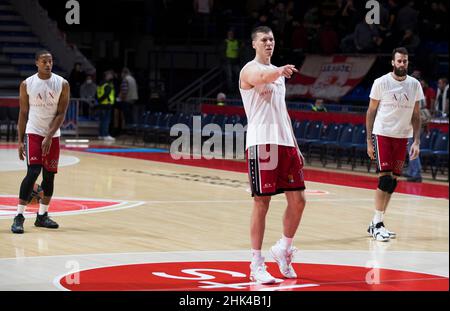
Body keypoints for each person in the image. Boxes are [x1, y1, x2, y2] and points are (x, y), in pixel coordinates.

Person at [239, 26, 306, 284]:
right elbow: (260, 77)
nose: (269, 43)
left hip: (285, 143)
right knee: (262, 203)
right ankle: (256, 263)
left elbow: (283, 112)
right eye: (264, 40)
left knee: (298, 200)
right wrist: (279, 71)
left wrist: (295, 145)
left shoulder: (277, 75)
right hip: (261, 143)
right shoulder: (250, 69)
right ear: (254, 44)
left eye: (272, 39)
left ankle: (283, 249)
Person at [366, 47, 424, 242]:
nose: (402, 64)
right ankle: (377, 223)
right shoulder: (381, 83)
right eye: (399, 61)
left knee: (393, 182)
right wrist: (368, 141)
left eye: (405, 61)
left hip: (403, 137)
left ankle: (378, 222)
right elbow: (371, 112)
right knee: (384, 179)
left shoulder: (415, 85)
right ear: (392, 62)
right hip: (383, 134)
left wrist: (416, 140)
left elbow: (416, 115)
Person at [11, 50, 70, 234]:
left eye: (50, 61)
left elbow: (61, 114)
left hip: (52, 135)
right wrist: (20, 141)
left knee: (49, 176)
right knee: (33, 171)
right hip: (33, 132)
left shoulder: (62, 83)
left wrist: (50, 135)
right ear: (37, 63)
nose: (48, 64)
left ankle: (42, 216)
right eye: (44, 61)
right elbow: (22, 113)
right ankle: (19, 216)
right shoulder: (27, 84)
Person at [96, 70, 116, 141]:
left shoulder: (100, 84)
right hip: (107, 104)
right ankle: (105, 135)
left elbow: (97, 94)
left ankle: (101, 135)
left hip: (101, 104)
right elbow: (106, 94)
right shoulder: (107, 85)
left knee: (102, 120)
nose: (111, 76)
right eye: (110, 75)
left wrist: (99, 101)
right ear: (106, 76)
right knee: (106, 120)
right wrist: (104, 100)